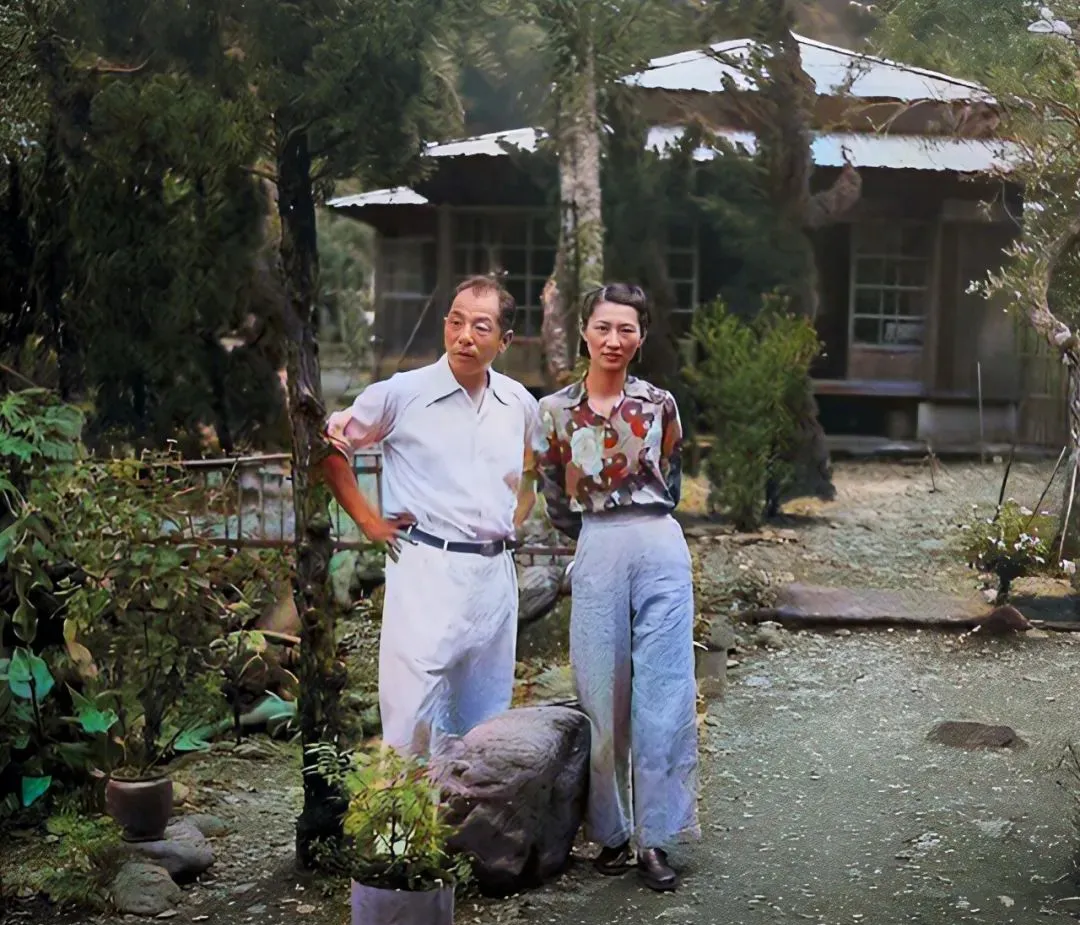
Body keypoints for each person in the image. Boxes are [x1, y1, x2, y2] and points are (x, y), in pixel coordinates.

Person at [319, 275, 540, 758]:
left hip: (493, 576)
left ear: (504, 341)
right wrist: (369, 522)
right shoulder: (403, 393)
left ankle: (466, 810)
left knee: (484, 727)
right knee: (413, 724)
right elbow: (330, 446)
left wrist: (519, 514)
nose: (464, 336)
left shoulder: (518, 402)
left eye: (480, 327)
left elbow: (535, 464)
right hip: (427, 568)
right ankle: (402, 810)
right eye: (456, 322)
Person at [533, 283, 699, 892]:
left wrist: (639, 521)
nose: (613, 339)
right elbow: (553, 489)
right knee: (600, 692)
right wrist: (593, 535)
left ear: (641, 336)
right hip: (597, 541)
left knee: (664, 692)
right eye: (603, 327)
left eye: (626, 328)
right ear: (584, 332)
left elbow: (672, 476)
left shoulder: (659, 404)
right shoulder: (554, 411)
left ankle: (656, 837)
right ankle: (610, 832)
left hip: (658, 541)